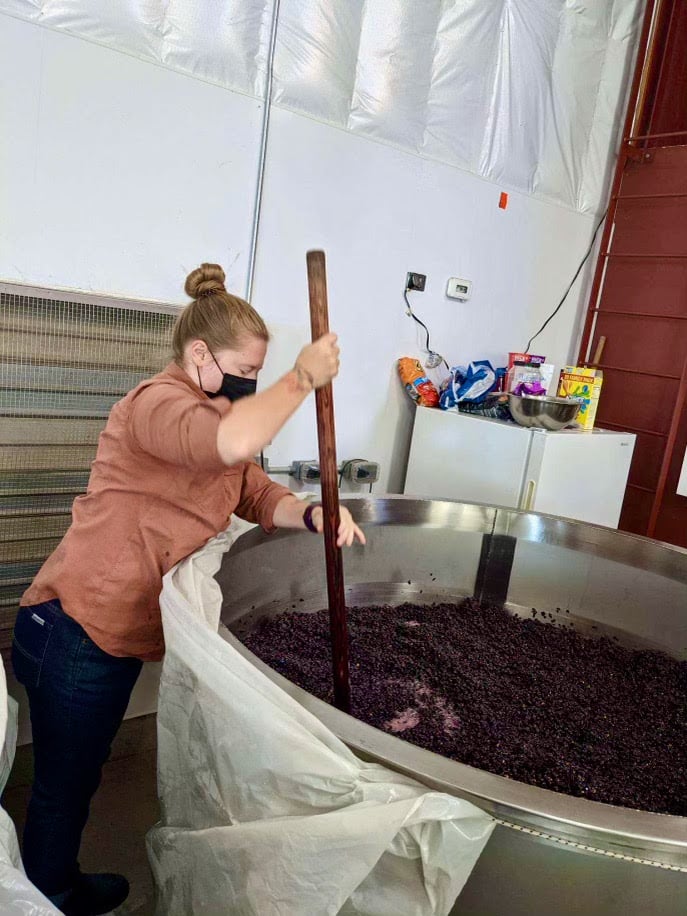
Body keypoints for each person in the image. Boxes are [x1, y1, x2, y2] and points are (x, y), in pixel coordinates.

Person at [12, 263, 365, 915]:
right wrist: (300, 379)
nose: (247, 385)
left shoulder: (217, 409)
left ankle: (52, 881)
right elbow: (225, 445)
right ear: (198, 355)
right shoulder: (158, 405)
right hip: (72, 628)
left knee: (78, 773)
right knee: (63, 783)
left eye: (257, 375)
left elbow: (253, 488)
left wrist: (313, 513)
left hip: (109, 635)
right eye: (242, 370)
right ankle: (46, 894)